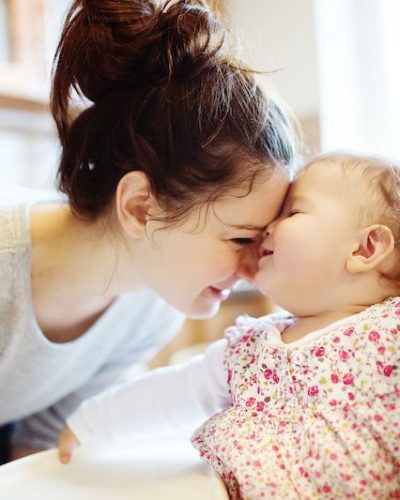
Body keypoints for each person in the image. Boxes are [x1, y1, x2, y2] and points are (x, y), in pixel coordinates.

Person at [0, 0, 296, 463]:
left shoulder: (155, 308)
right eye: (241, 238)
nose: (255, 271)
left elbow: (37, 448)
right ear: (140, 207)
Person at [58, 152, 400, 499]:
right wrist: (87, 423)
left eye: (293, 212)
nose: (267, 228)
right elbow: (172, 392)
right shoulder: (250, 351)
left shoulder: (392, 334)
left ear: (365, 248)